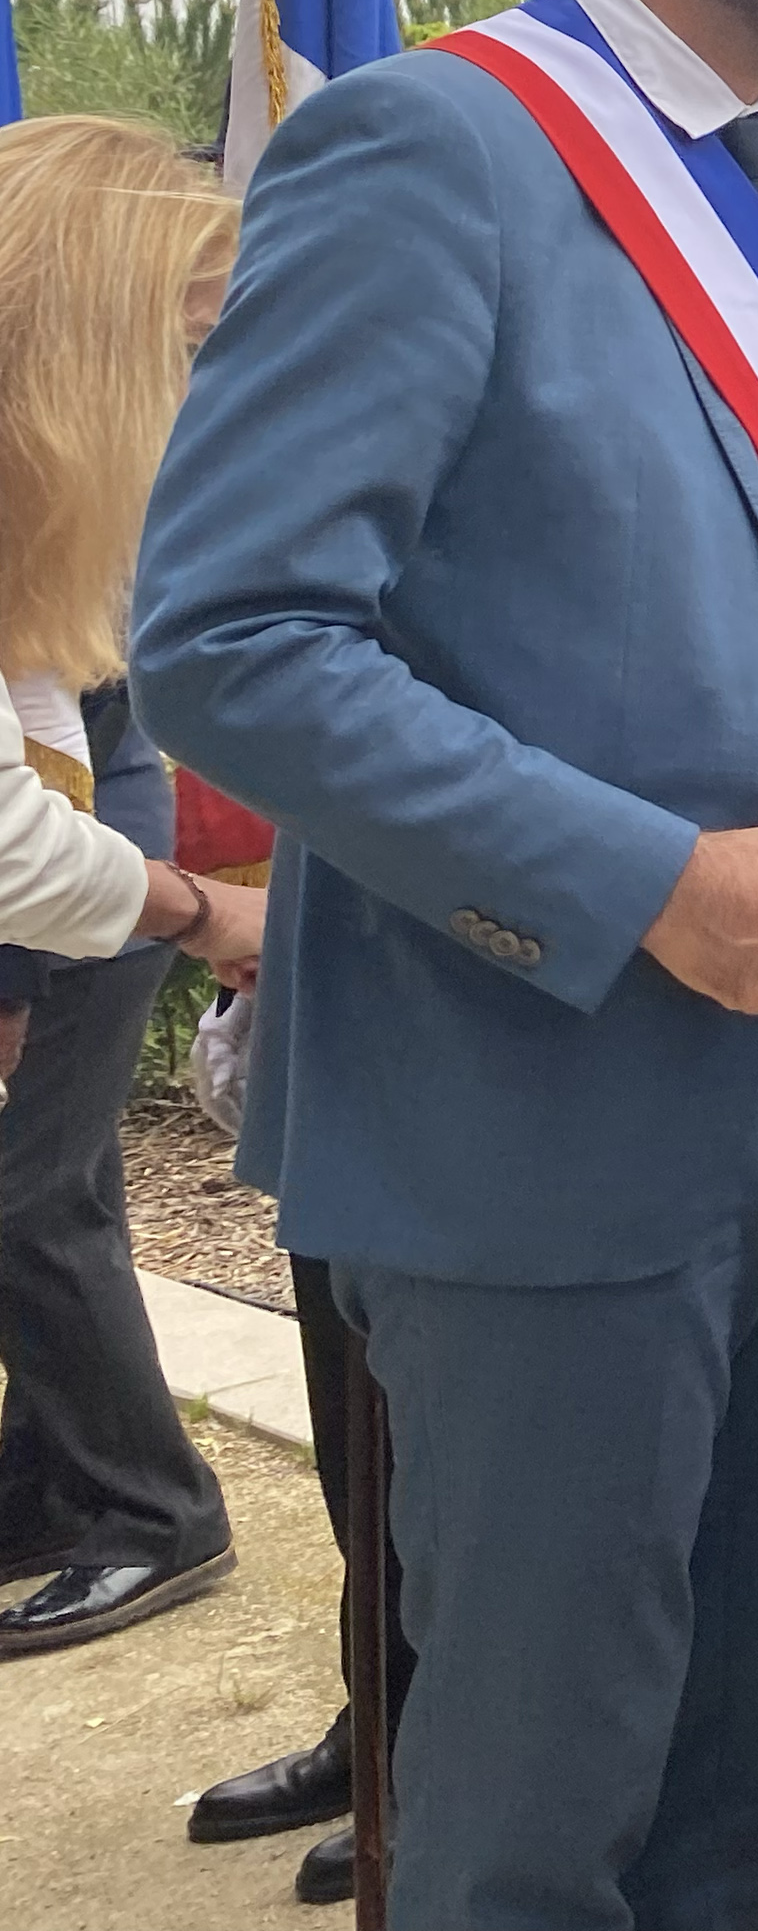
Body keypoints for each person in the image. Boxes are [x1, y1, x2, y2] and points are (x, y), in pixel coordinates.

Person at [133, 0, 758, 1931]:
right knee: (536, 1800)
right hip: (535, 1110)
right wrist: (645, 882)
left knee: (747, 1741)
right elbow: (230, 640)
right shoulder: (431, 151)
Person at [0, 113, 264, 1660]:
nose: (197, 380)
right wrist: (193, 914)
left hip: (93, 817)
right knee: (43, 1189)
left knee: (32, 1190)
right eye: (185, 331)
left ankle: (142, 1509)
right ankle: (77, 1476)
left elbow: (49, 758)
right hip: (86, 847)